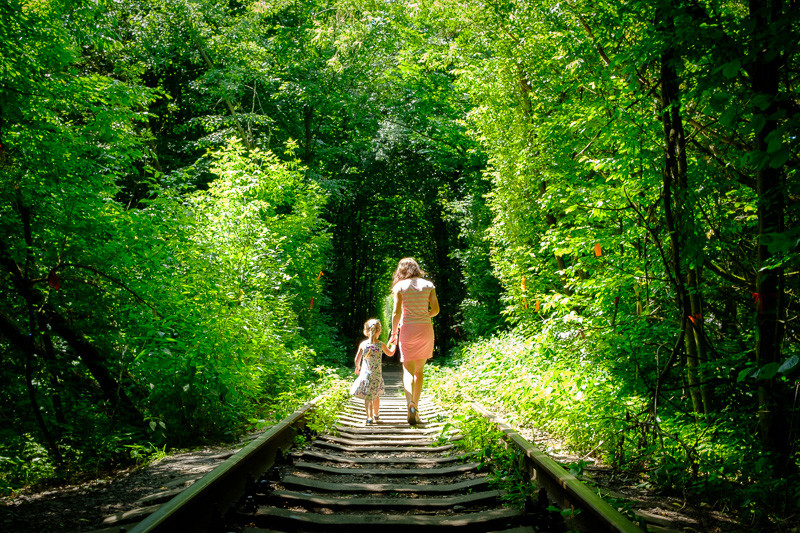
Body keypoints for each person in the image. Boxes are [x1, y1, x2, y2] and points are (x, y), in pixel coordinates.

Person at [389, 257, 439, 425]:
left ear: (401, 270)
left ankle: (409, 403)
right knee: (419, 372)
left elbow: (396, 313)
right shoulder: (428, 285)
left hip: (407, 330)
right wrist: (423, 315)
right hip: (425, 330)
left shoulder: (399, 286)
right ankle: (416, 409)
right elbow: (436, 310)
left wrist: (394, 333)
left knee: (408, 371)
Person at [350, 318, 396, 425]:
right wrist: (394, 345)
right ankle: (376, 415)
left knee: (368, 397)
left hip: (365, 376)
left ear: (366, 331)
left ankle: (369, 418)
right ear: (379, 331)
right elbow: (390, 353)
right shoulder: (381, 344)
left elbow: (357, 359)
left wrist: (357, 367)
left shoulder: (363, 344)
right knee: (375, 396)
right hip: (376, 376)